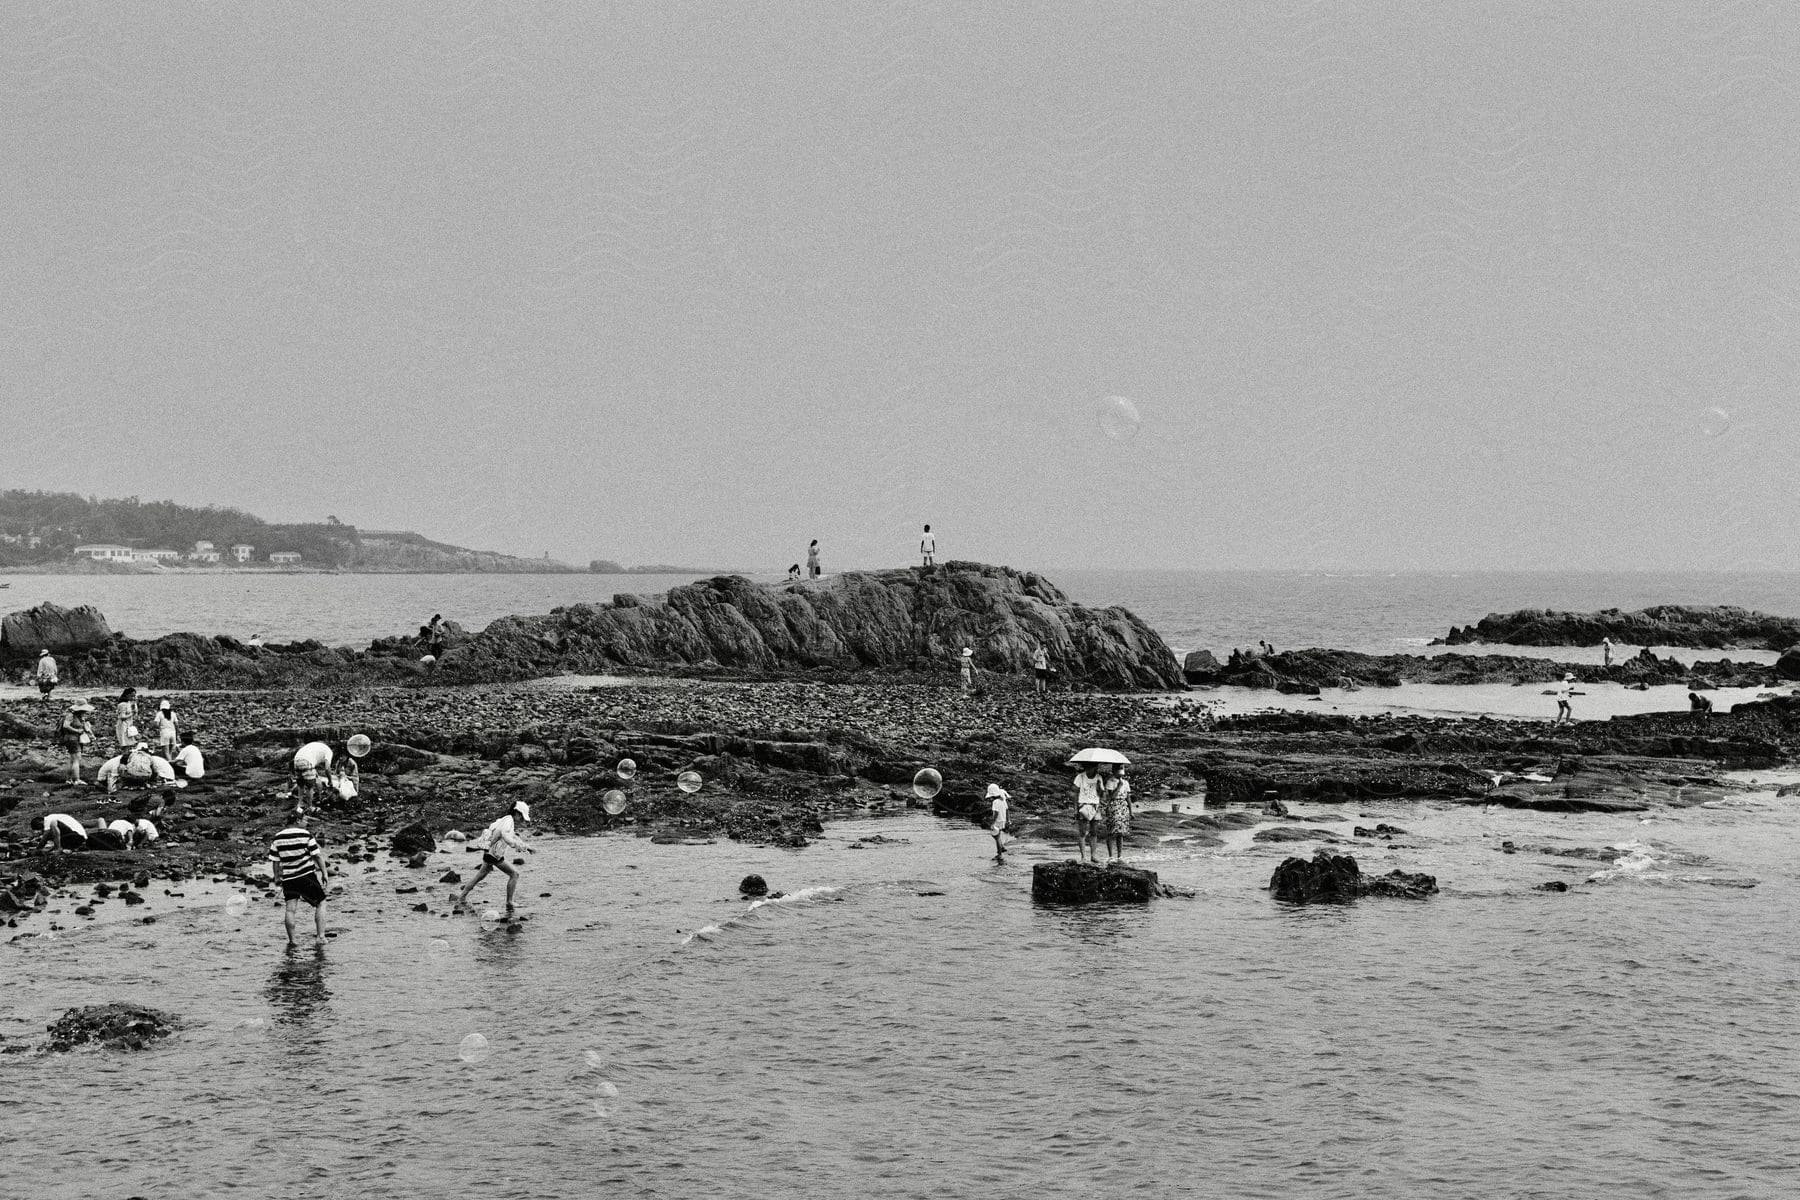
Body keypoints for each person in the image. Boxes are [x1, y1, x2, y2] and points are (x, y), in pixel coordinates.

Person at [454, 802, 534, 914]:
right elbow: (506, 836)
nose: (522, 819)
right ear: (516, 812)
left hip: (489, 852)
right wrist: (515, 845)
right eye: (521, 816)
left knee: (479, 876)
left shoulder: (504, 819)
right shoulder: (509, 821)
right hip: (494, 855)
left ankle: (461, 897)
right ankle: (509, 902)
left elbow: (510, 835)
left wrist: (526, 847)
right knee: (514, 874)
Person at [268, 808, 329, 946]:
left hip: (289, 878)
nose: (305, 822)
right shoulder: (305, 834)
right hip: (306, 876)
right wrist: (324, 873)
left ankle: (293, 941)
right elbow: (317, 855)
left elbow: (275, 861)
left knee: (290, 909)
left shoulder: (277, 838)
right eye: (303, 820)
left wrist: (277, 878)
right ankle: (320, 937)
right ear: (297, 821)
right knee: (321, 903)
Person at [1101, 766, 1134, 863]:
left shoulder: (1126, 783)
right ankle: (1111, 855)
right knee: (1112, 832)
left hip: (1123, 806)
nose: (1120, 775)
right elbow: (1111, 797)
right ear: (1114, 772)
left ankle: (1120, 855)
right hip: (1113, 806)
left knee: (1121, 833)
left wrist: (1131, 811)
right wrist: (1119, 786)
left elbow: (1128, 798)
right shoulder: (1110, 782)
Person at [58, 700, 94, 786]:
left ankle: (69, 779)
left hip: (75, 738)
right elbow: (65, 726)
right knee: (76, 759)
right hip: (72, 738)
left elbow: (85, 727)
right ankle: (77, 779)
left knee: (72, 759)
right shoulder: (70, 715)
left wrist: (91, 734)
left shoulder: (80, 716)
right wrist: (77, 731)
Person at [1073, 763, 1104, 863]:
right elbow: (1075, 793)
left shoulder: (1099, 777)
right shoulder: (1080, 777)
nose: (1088, 769)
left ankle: (1093, 855)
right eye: (1087, 767)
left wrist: (1099, 785)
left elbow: (1101, 794)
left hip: (1095, 805)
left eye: (1091, 767)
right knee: (1082, 832)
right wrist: (1075, 808)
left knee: (1094, 832)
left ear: (1095, 768)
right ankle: (1083, 857)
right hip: (1083, 805)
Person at [986, 783, 1010, 861]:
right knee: (997, 835)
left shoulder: (995, 802)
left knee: (996, 837)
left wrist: (993, 823)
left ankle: (999, 854)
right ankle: (1002, 847)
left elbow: (996, 813)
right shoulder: (1003, 799)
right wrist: (1008, 820)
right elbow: (1007, 810)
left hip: (998, 821)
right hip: (1003, 820)